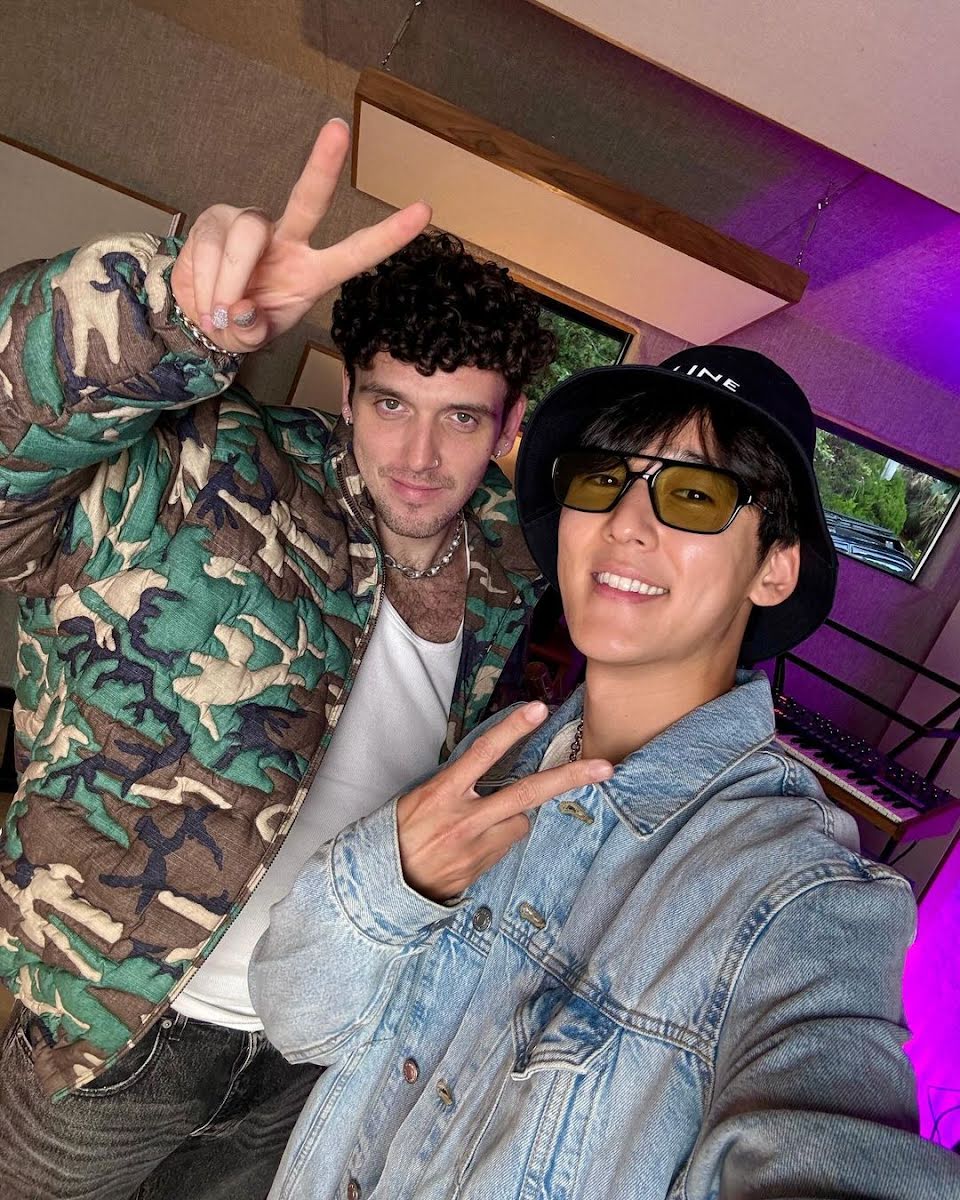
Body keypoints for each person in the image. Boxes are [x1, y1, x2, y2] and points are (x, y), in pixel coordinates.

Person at [251, 346, 960, 1199]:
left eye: (694, 495)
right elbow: (296, 1018)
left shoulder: (800, 899)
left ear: (774, 566)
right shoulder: (495, 757)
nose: (625, 521)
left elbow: (822, 1130)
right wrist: (394, 877)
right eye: (600, 479)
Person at [0, 118, 557, 1200]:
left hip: (315, 1054)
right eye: (390, 403)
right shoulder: (210, 467)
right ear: (348, 393)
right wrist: (165, 309)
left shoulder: (511, 568)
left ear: (508, 426)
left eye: (460, 419)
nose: (419, 455)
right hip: (116, 1030)